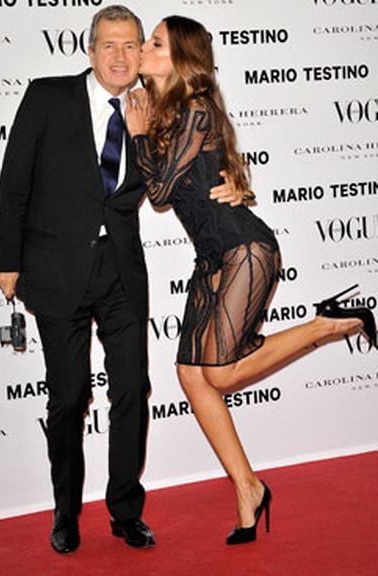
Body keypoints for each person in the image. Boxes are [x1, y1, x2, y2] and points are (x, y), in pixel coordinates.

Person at [0, 4, 245, 555]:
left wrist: (234, 187)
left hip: (123, 272)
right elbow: (13, 184)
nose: (122, 55)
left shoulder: (158, 109)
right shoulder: (47, 96)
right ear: (90, 51)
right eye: (110, 44)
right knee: (68, 396)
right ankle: (65, 512)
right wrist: (5, 260)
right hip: (56, 271)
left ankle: (126, 510)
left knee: (132, 390)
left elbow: (199, 162)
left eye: (133, 45)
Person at [125, 15, 375, 545]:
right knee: (193, 378)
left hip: (245, 250)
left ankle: (331, 325)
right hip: (215, 256)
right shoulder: (174, 113)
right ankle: (248, 489)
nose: (144, 48)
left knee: (215, 374)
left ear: (179, 59)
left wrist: (140, 133)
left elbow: (162, 193)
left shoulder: (191, 110)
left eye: (154, 43)